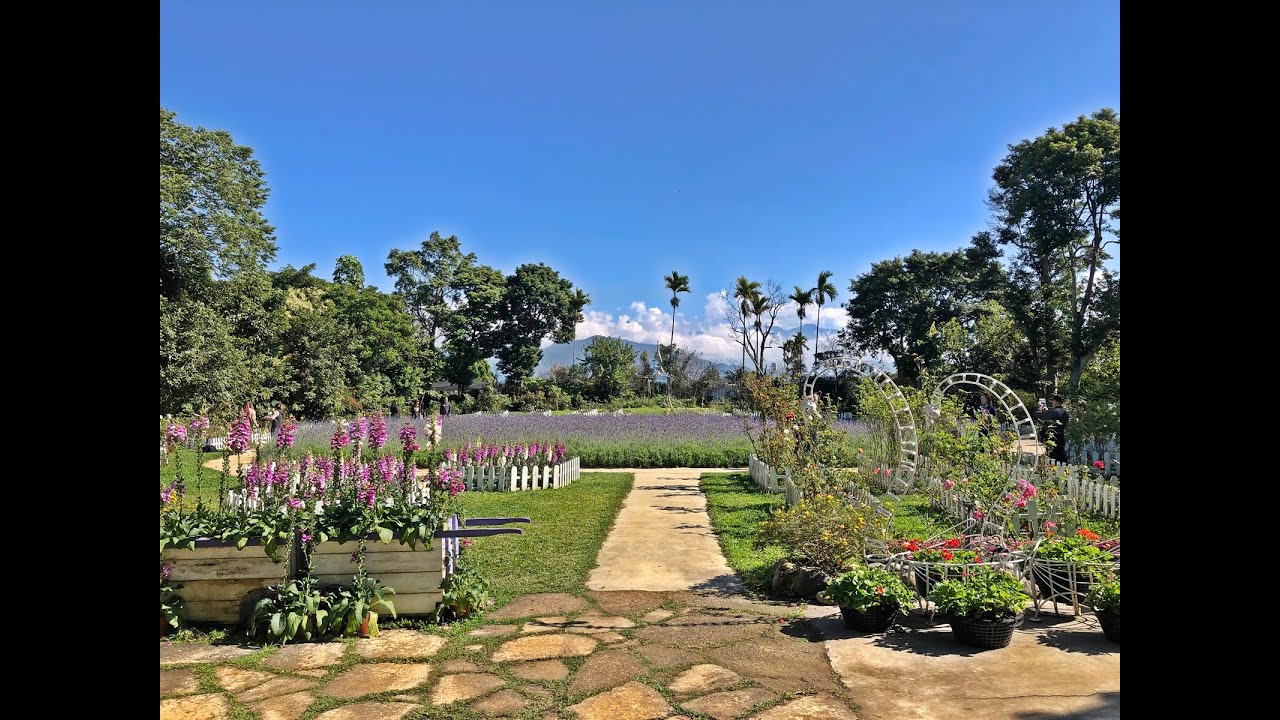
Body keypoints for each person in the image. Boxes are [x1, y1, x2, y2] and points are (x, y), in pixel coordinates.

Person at [1035, 394, 1070, 463]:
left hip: (1052, 437)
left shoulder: (1054, 412)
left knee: (1052, 457)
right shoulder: (1065, 412)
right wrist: (1047, 411)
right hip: (1061, 436)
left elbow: (1040, 416)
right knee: (1062, 456)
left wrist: (1040, 409)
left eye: (1053, 401)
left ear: (1056, 402)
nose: (1052, 403)